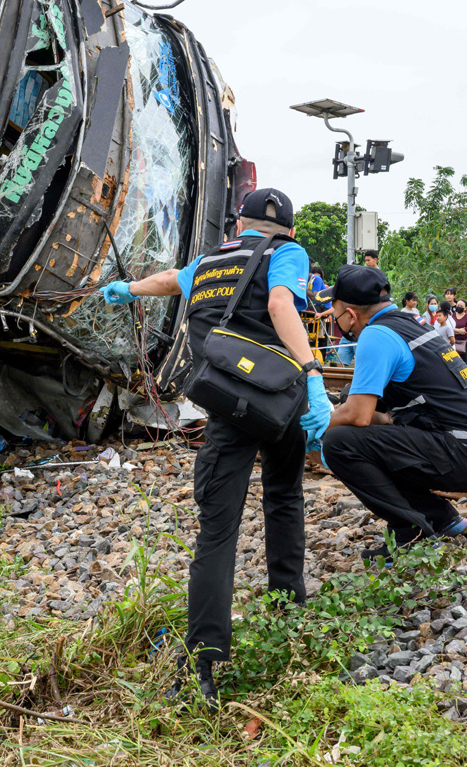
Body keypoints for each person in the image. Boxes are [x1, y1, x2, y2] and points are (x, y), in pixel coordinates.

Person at [99, 188, 329, 708]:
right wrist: (313, 374)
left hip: (227, 407)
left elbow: (167, 281)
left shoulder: (209, 260)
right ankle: (287, 613)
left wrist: (127, 289)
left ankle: (204, 660)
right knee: (284, 499)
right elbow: (279, 303)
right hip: (282, 401)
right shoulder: (286, 253)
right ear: (288, 230)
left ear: (240, 226)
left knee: (217, 532)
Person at [317, 266, 467, 561]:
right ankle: (441, 518)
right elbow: (383, 419)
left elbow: (359, 416)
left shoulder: (376, 335)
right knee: (354, 410)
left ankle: (411, 535)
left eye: (334, 314)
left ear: (351, 315)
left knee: (339, 443)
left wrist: (314, 424)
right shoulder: (410, 323)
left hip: (462, 451)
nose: (334, 321)